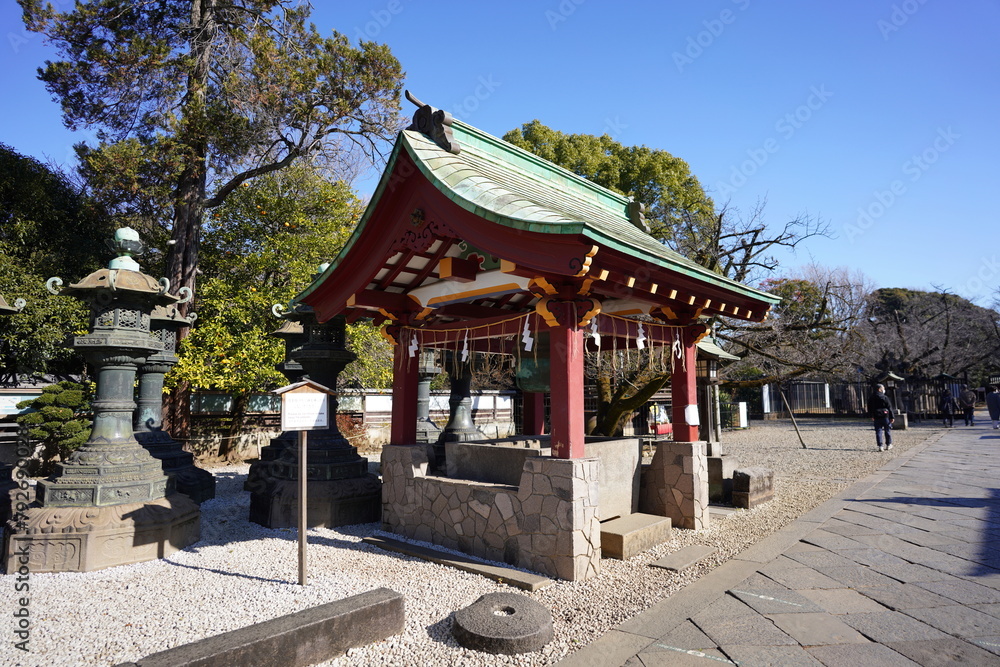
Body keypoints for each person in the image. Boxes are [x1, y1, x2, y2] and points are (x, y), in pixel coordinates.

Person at [870, 383, 894, 451]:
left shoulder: (872, 397)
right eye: (883, 388)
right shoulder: (884, 397)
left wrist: (871, 415)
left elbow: (870, 408)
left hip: (876, 415)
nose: (884, 390)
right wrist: (892, 417)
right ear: (879, 389)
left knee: (878, 431)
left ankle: (880, 445)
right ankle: (888, 444)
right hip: (885, 415)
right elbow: (889, 407)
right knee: (887, 430)